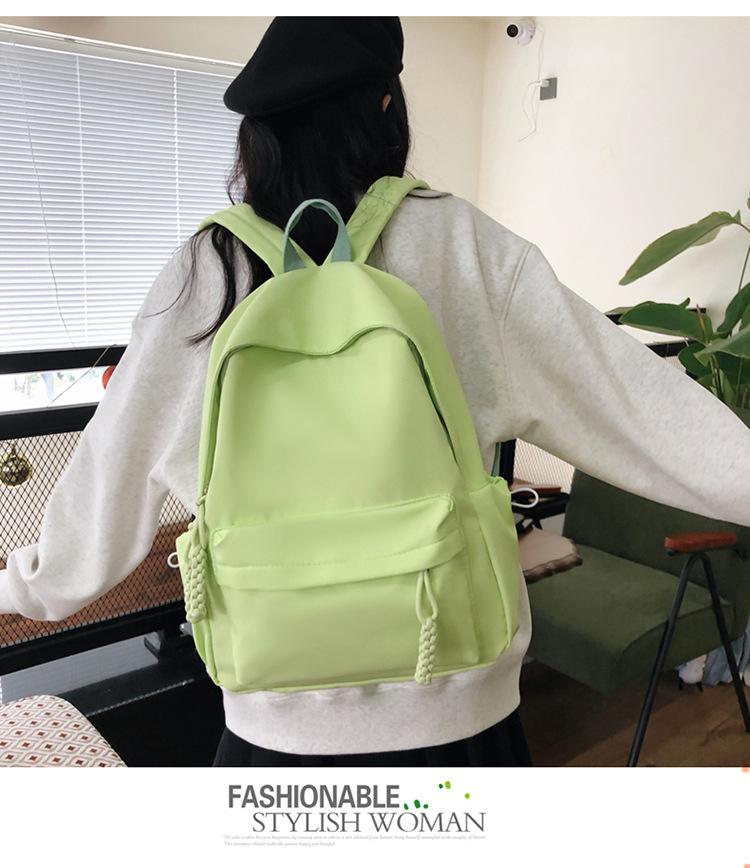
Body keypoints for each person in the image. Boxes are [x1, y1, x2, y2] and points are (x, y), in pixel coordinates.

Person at [1, 17, 749, 767]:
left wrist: (24, 588)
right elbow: (640, 409)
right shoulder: (464, 245)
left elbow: (109, 481)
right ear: (386, 106)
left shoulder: (207, 270)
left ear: (257, 134)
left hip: (274, 714)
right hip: (456, 708)